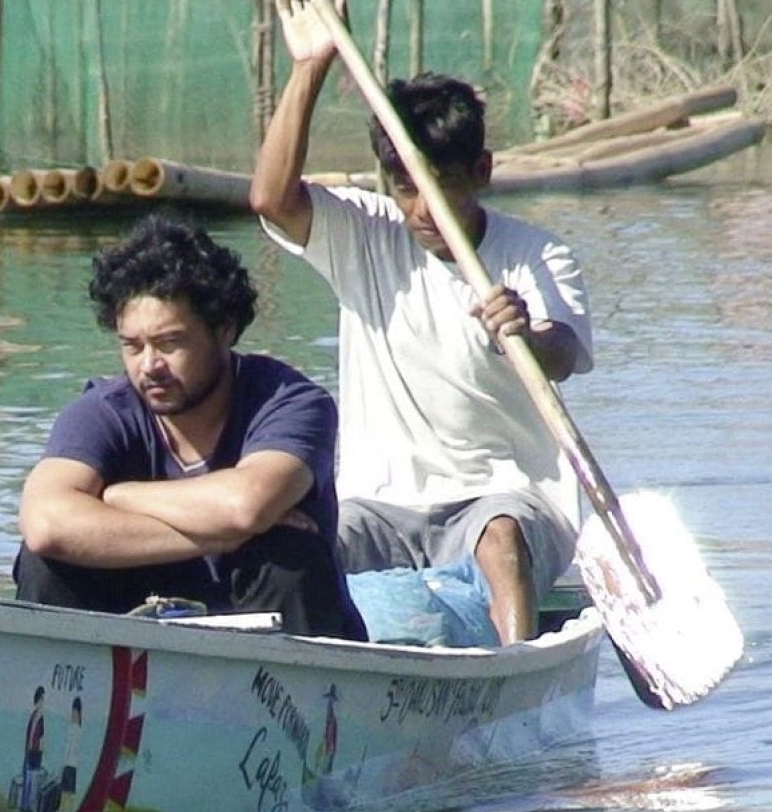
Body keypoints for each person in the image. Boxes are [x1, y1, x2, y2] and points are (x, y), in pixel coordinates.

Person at [248, 1, 593, 645]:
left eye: (443, 186)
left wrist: (525, 335)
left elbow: (564, 352)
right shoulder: (365, 234)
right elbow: (270, 197)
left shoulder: (536, 256)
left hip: (506, 497)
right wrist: (311, 66)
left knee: (501, 542)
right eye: (407, 189)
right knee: (302, 544)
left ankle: (509, 674)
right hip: (382, 502)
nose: (423, 211)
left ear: (481, 173)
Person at [12, 213, 367, 641]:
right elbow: (46, 523)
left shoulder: (291, 402)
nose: (149, 367)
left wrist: (118, 496)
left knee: (286, 554)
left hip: (275, 632)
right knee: (46, 560)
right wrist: (221, 535)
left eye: (170, 344)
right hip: (139, 627)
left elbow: (245, 506)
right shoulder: (103, 411)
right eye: (133, 346)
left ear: (224, 329)